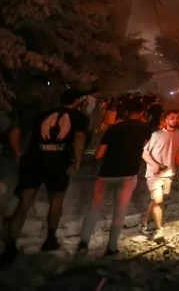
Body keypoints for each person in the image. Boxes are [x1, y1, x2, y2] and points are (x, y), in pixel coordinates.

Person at [1, 89, 87, 265]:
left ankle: (10, 245)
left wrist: (21, 153)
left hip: (34, 160)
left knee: (24, 203)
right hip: (58, 162)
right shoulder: (78, 117)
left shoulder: (42, 114)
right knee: (56, 200)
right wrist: (78, 160)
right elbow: (79, 137)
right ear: (77, 100)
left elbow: (22, 132)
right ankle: (50, 239)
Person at [77, 98, 151, 256]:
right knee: (119, 211)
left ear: (126, 112)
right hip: (128, 175)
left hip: (107, 174)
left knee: (94, 208)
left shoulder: (113, 129)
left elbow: (99, 155)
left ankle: (83, 243)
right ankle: (111, 248)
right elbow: (145, 148)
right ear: (142, 113)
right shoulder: (145, 130)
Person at [140, 109, 179, 241]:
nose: (175, 120)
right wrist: (154, 165)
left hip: (169, 173)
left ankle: (143, 222)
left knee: (157, 200)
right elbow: (145, 153)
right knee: (158, 201)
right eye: (172, 117)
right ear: (166, 120)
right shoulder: (157, 135)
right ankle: (160, 230)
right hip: (154, 174)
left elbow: (176, 151)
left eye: (177, 117)